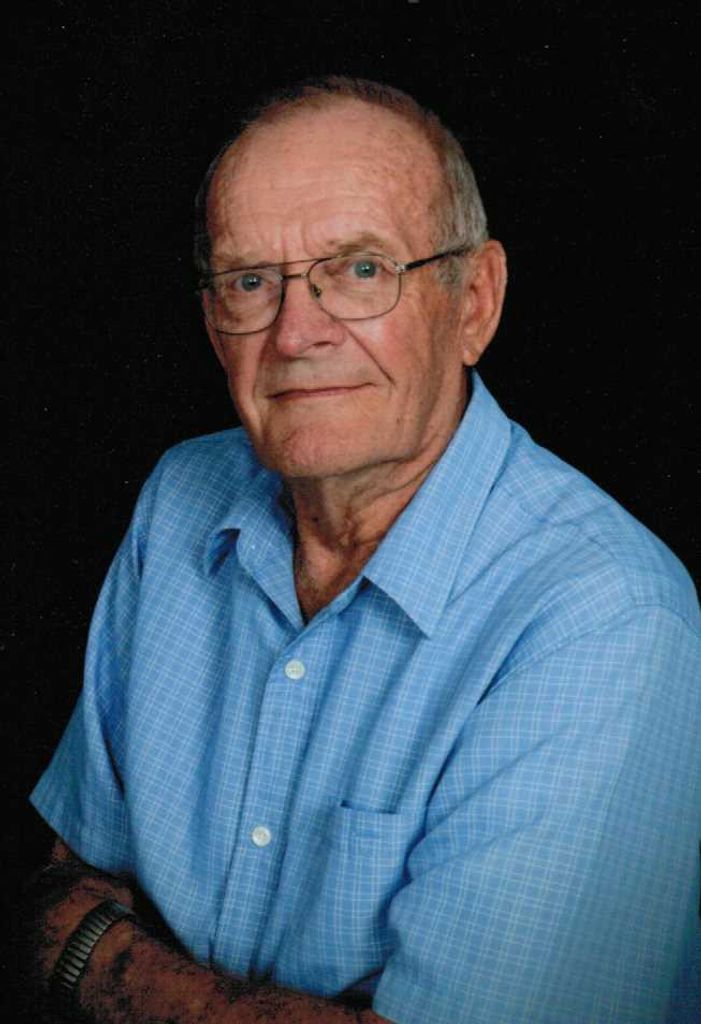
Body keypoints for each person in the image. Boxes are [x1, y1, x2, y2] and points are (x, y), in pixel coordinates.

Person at [26, 77, 700, 1024]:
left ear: (474, 302)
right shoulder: (179, 500)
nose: (296, 334)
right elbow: (65, 880)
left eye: (359, 270)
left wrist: (100, 961)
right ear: (214, 321)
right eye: (250, 281)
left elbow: (68, 931)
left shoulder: (603, 617)